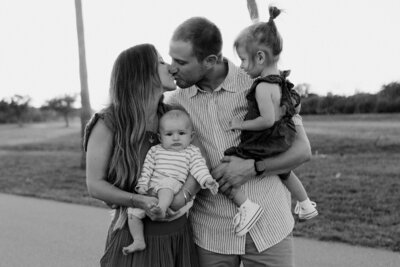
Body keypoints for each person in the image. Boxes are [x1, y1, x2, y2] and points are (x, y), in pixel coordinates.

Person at [165, 15, 312, 267]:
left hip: (270, 227)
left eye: (180, 62)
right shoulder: (175, 103)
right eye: (170, 59)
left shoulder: (261, 83)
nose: (171, 68)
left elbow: (302, 150)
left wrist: (254, 167)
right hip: (211, 234)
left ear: (210, 60)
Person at [84, 43, 200, 267]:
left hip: (178, 234)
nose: (171, 67)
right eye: (161, 62)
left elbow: (198, 160)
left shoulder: (174, 117)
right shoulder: (109, 122)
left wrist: (181, 197)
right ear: (143, 71)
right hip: (135, 236)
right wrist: (140, 201)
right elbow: (94, 185)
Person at [224, 6, 318, 222]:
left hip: (268, 139)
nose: (241, 66)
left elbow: (266, 120)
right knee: (284, 171)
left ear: (259, 57)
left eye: (243, 60)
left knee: (229, 159)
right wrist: (254, 14)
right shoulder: (282, 83)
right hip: (283, 138)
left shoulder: (262, 87)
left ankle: (247, 208)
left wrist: (240, 124)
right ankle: (305, 204)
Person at [123, 108, 218, 254]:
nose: (175, 138)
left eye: (181, 133)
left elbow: (199, 167)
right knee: (132, 212)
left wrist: (207, 180)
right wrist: (142, 185)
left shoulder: (191, 152)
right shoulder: (155, 151)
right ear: (160, 138)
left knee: (166, 185)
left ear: (191, 136)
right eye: (169, 134)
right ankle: (138, 240)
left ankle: (161, 209)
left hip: (173, 188)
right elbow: (147, 169)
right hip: (153, 189)